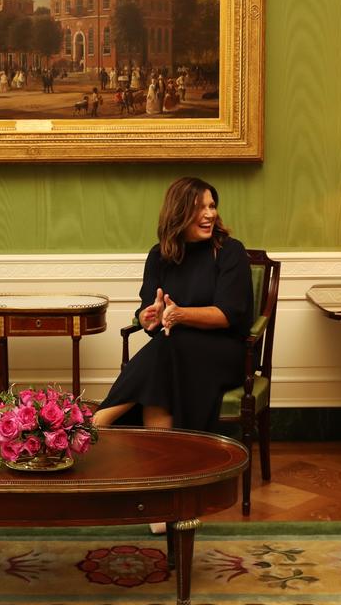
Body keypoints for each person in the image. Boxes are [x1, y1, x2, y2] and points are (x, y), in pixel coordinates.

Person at [94, 177, 252, 433]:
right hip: (174, 352)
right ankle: (165, 466)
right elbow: (148, 314)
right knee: (163, 367)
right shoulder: (159, 255)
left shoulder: (229, 251)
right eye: (200, 208)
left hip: (224, 352)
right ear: (179, 213)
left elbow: (227, 315)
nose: (209, 214)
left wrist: (179, 314)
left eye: (212, 206)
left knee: (166, 349)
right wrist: (150, 317)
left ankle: (100, 419)